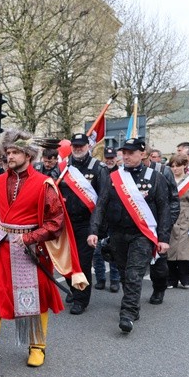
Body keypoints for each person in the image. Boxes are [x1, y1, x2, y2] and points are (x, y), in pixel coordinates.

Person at [0, 130, 87, 373]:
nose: (9, 156)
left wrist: (30, 237)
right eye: (7, 152)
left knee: (35, 300)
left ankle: (37, 347)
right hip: (0, 247)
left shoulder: (44, 184)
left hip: (32, 251)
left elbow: (56, 221)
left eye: (15, 152)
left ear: (28, 155)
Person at [88, 138, 171, 333]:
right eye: (123, 152)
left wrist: (164, 238)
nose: (125, 156)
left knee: (134, 274)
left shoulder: (155, 178)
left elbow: (164, 208)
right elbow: (101, 205)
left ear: (142, 154)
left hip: (141, 234)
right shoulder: (114, 177)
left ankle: (127, 313)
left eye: (130, 153)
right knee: (125, 273)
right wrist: (94, 231)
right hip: (117, 233)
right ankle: (133, 306)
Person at [57, 133, 108, 315]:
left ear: (88, 146)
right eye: (75, 146)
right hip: (65, 224)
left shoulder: (98, 168)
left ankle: (81, 299)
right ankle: (74, 288)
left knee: (83, 263)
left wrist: (96, 229)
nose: (78, 149)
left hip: (87, 224)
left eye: (81, 145)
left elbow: (102, 200)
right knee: (65, 261)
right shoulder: (63, 167)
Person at [142, 143, 180, 305]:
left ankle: (159, 289)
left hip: (157, 225)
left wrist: (167, 224)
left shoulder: (163, 171)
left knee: (158, 263)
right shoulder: (124, 173)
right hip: (135, 225)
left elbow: (173, 200)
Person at [166, 153, 189, 288]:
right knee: (170, 251)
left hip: (185, 218)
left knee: (183, 251)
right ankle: (171, 278)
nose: (175, 169)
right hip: (169, 218)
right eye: (173, 166)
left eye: (178, 166)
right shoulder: (166, 179)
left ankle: (185, 277)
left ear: (184, 166)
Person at [92, 146, 120, 292]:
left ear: (116, 158)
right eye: (107, 158)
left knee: (114, 251)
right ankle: (100, 278)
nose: (109, 161)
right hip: (100, 216)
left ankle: (115, 280)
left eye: (112, 158)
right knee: (97, 252)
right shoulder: (99, 172)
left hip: (115, 217)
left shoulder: (122, 173)